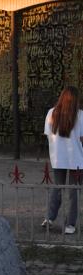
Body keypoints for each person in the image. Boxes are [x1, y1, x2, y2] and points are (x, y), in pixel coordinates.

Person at [43, 86, 83, 234]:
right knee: (74, 192)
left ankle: (49, 217)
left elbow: (48, 135)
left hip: (58, 158)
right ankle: (70, 225)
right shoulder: (80, 116)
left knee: (58, 187)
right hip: (77, 159)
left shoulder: (51, 113)